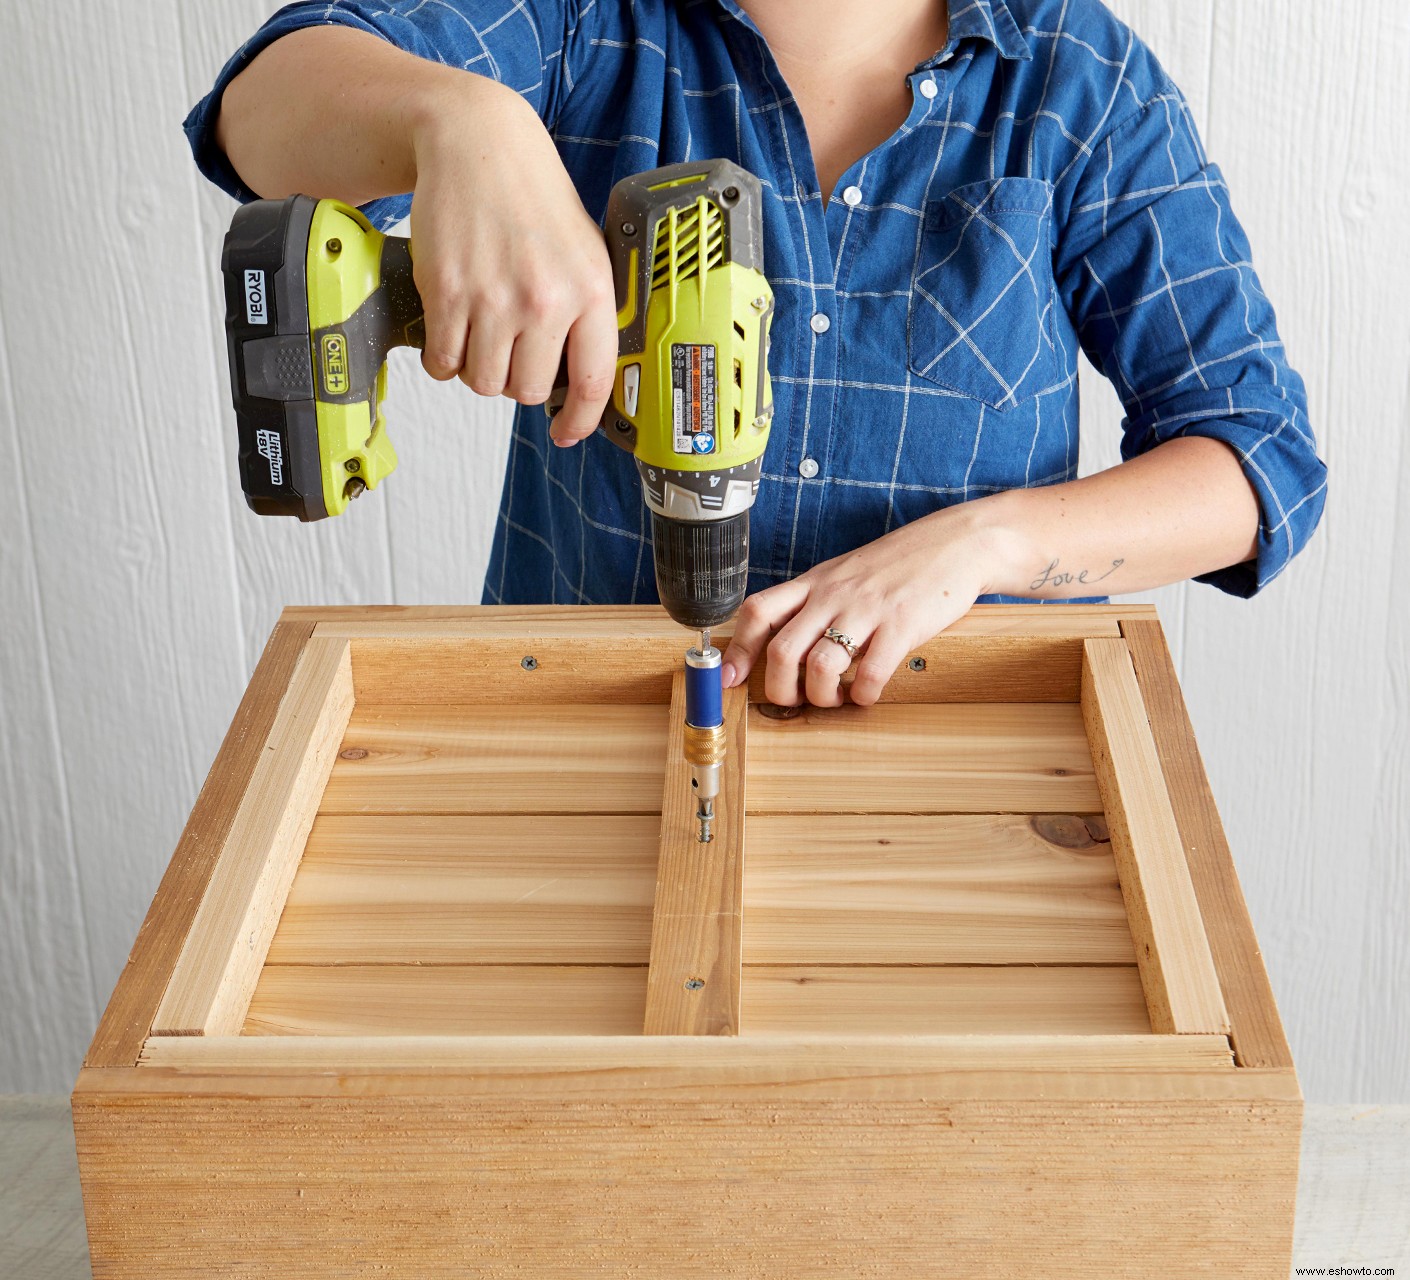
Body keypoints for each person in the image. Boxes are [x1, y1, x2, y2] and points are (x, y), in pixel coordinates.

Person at [187, 0, 1327, 707]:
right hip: (589, 723)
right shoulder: (584, 23)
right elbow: (257, 108)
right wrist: (459, 122)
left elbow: (1258, 462)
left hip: (954, 752)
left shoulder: (1079, 83)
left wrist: (983, 545)